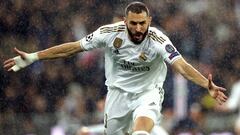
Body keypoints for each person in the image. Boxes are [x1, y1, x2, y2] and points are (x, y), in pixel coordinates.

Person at [3, 1, 228, 135]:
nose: (138, 28)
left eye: (143, 23)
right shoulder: (109, 33)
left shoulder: (159, 40)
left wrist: (204, 84)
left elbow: (182, 66)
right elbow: (72, 48)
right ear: (125, 21)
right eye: (133, 23)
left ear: (149, 20)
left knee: (141, 131)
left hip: (147, 94)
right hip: (117, 96)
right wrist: (33, 56)